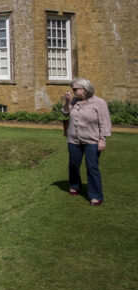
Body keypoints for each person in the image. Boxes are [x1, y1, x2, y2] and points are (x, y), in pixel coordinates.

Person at [63, 78, 112, 206]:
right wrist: (67, 101)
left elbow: (104, 122)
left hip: (92, 140)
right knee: (73, 164)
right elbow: (66, 113)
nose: (72, 91)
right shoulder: (74, 100)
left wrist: (102, 139)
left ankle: (95, 195)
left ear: (84, 89)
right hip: (74, 139)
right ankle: (75, 185)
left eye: (74, 89)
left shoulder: (99, 103)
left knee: (92, 167)